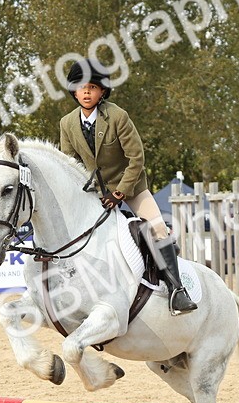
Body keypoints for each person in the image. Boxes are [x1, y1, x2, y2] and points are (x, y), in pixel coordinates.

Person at [58, 59, 196, 314]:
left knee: (157, 229)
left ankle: (177, 291)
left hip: (131, 187)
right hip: (95, 192)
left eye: (92, 87)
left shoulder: (118, 117)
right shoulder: (67, 124)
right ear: (74, 91)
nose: (86, 92)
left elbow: (137, 159)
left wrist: (120, 192)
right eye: (81, 87)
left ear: (102, 92)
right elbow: (70, 165)